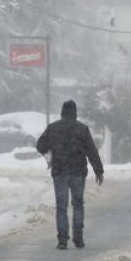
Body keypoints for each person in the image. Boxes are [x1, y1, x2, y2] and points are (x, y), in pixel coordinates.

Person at [36, 100, 104, 250]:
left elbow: (40, 145)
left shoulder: (53, 128)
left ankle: (62, 239)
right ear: (75, 113)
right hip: (78, 171)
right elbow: (92, 151)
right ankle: (78, 237)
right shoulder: (82, 129)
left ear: (62, 112)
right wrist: (98, 170)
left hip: (60, 171)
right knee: (78, 204)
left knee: (61, 206)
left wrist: (50, 153)